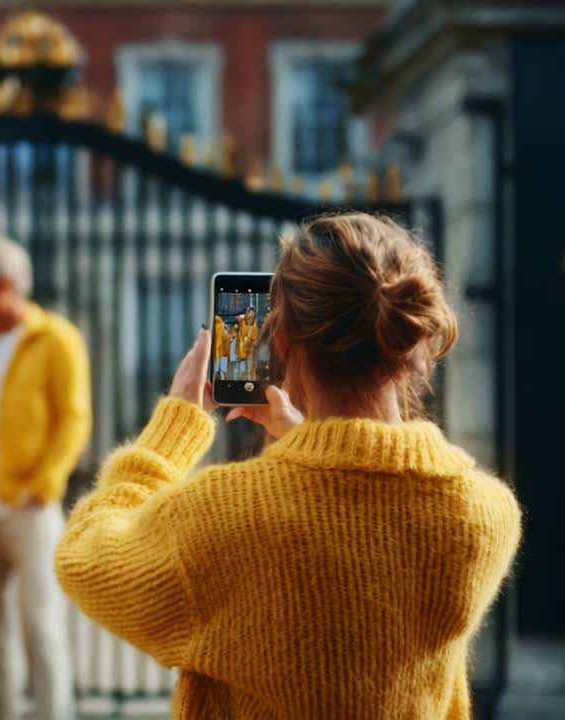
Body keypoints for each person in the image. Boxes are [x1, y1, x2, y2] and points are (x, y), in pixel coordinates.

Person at [55, 213, 523, 719]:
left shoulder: (224, 516)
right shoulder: (485, 514)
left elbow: (85, 558)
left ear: (279, 340)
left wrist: (176, 427)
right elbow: (363, 536)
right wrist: (308, 440)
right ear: (410, 339)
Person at [0, 235, 90, 720]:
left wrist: (45, 484)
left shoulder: (56, 338)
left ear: (6, 285)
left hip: (31, 508)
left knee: (42, 625)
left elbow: (74, 418)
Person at [212, 314, 230, 380]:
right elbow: (227, 345)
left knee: (214, 372)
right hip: (223, 354)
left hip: (215, 354)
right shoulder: (224, 331)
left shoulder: (213, 328)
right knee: (222, 372)